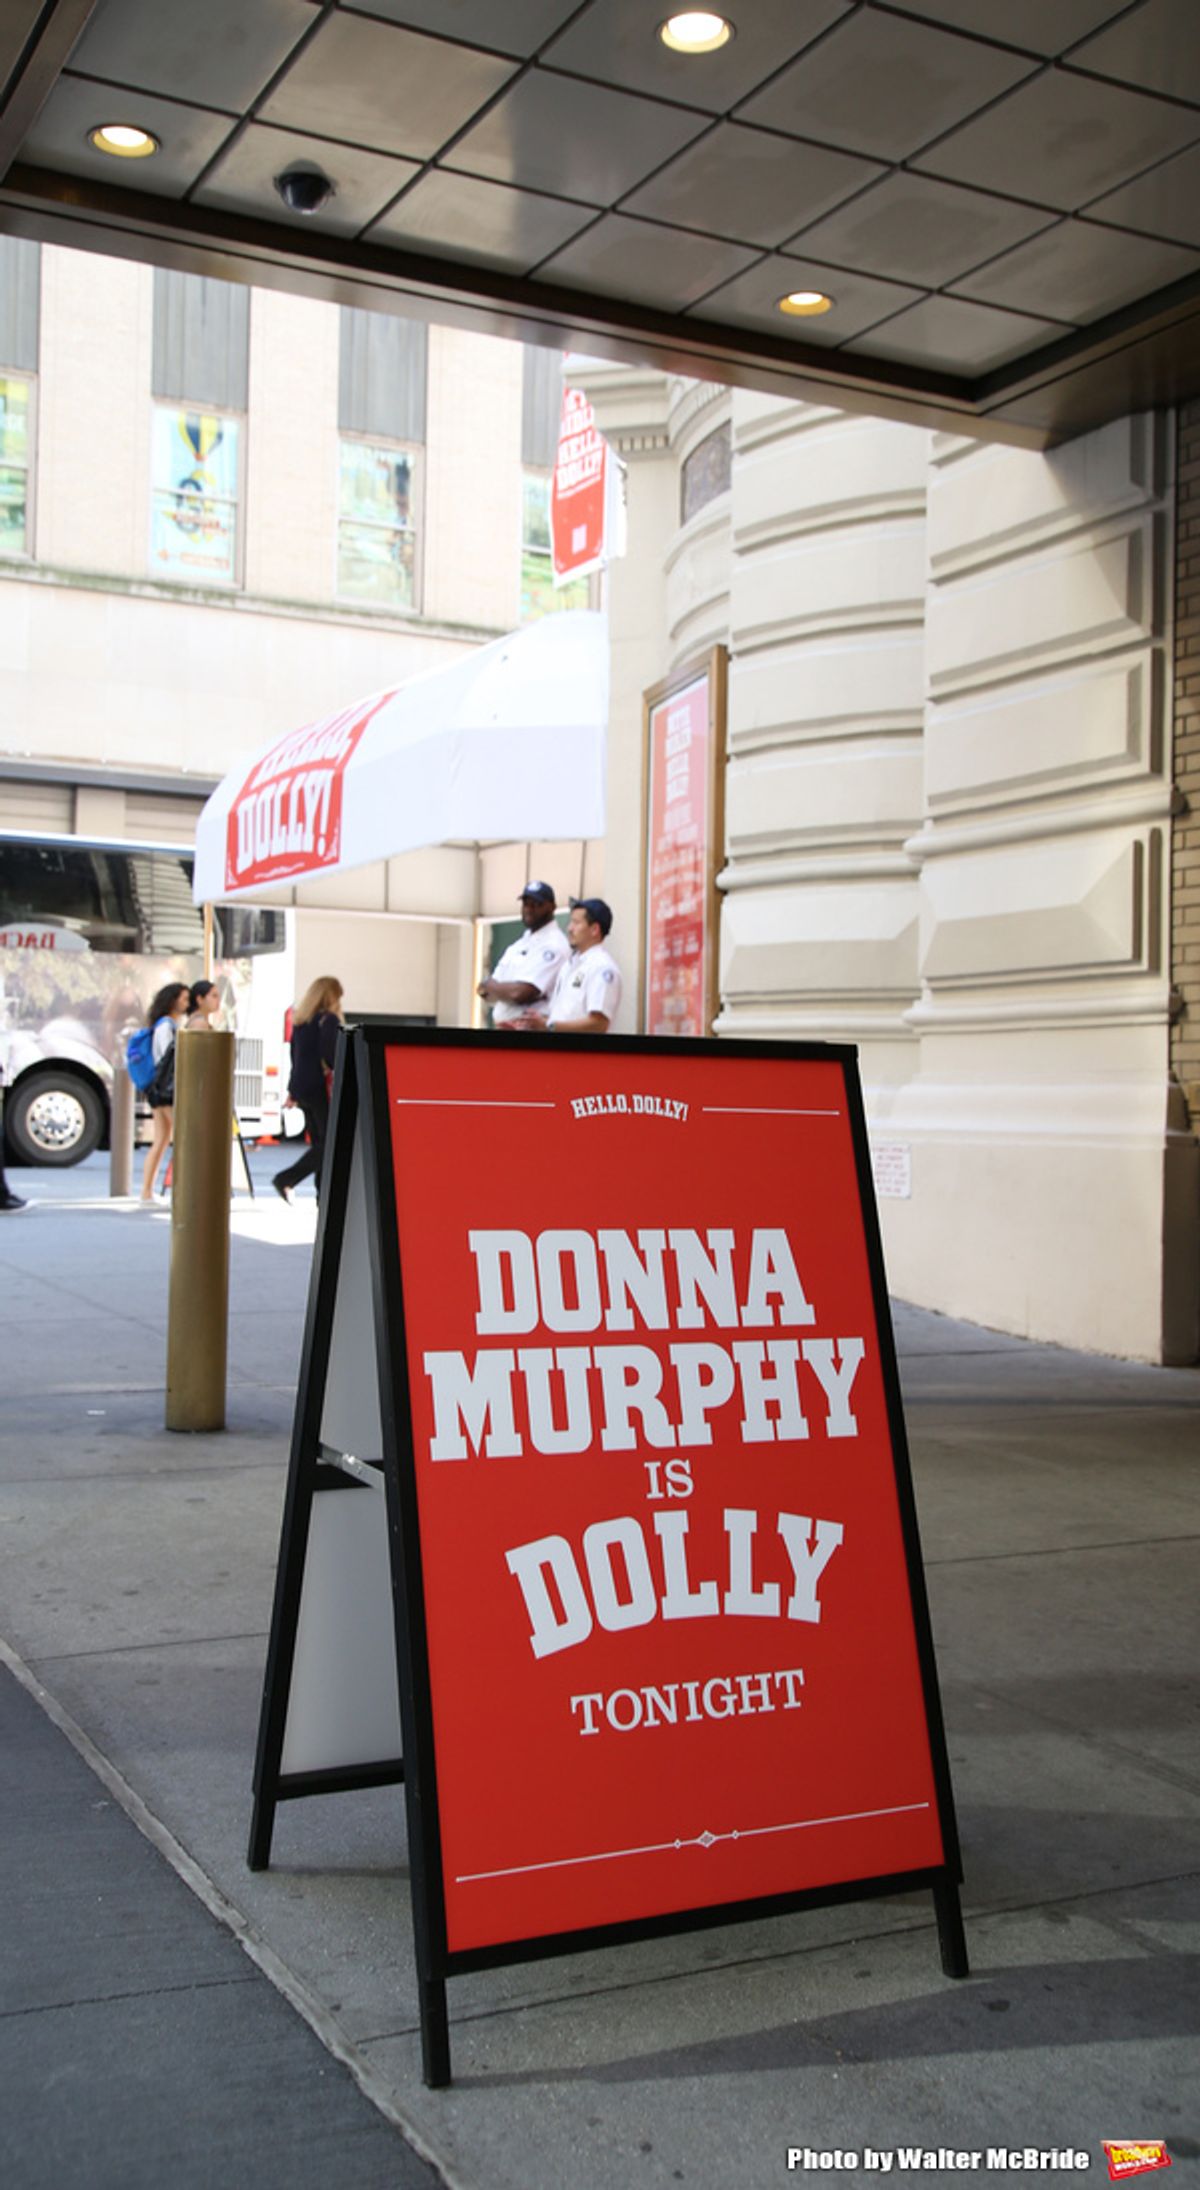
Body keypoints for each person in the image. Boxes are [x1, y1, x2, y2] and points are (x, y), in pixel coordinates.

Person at [273, 976, 344, 1205]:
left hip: (301, 1086)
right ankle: (288, 1179)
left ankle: (321, 1195)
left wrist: (292, 1090)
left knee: (320, 1144)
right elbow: (330, 1053)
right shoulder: (328, 1020)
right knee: (329, 1144)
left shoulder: (301, 1020)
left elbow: (295, 1056)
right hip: (319, 1087)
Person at [477, 881, 570, 1029]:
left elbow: (520, 993)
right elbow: (483, 990)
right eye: (526, 903)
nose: (529, 909)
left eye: (537, 904)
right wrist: (495, 988)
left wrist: (495, 988)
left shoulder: (555, 944)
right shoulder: (520, 944)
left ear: (552, 907)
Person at [140, 981, 190, 1203]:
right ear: (173, 1001)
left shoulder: (163, 1025)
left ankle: (147, 1191)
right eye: (184, 999)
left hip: (158, 1089)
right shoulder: (167, 1027)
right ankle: (176, 1191)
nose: (186, 1003)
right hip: (167, 1090)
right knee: (181, 1138)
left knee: (161, 1140)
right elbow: (167, 1059)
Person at [544, 898, 622, 1033]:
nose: (569, 928)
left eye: (576, 923)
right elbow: (561, 1015)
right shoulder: (569, 965)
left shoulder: (602, 967)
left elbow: (598, 1024)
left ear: (594, 929)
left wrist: (550, 1027)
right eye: (570, 922)